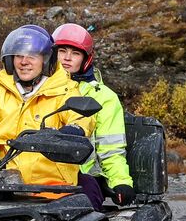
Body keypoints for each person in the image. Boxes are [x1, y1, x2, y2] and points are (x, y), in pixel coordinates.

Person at [0, 25, 97, 202]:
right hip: (6, 181)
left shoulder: (64, 89)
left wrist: (73, 130)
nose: (24, 62)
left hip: (50, 186)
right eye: (18, 56)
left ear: (45, 59)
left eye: (31, 56)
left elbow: (81, 117)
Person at [52, 23, 135, 207]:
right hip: (38, 173)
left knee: (83, 219)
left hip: (82, 176)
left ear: (86, 59)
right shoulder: (37, 89)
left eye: (75, 53)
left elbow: (111, 149)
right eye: (62, 51)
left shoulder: (104, 98)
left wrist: (121, 182)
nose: (67, 58)